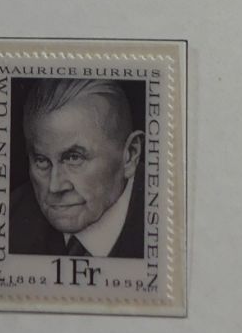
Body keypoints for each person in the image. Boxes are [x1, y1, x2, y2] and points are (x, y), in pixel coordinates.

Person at [9, 77, 144, 258]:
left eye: (74, 158)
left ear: (130, 155)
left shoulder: (171, 219)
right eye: (41, 161)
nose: (55, 186)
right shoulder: (9, 220)